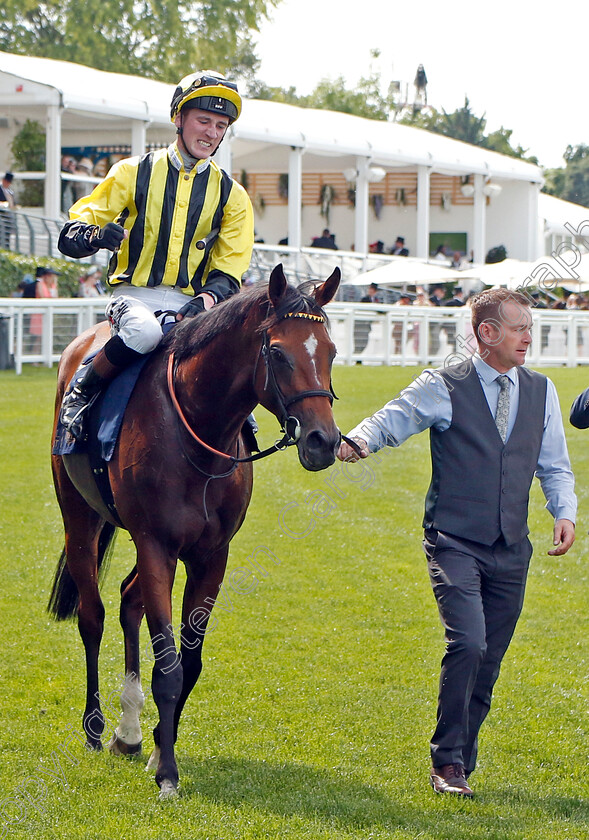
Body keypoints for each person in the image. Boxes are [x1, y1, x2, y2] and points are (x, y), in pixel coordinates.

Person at [338, 287, 576, 797]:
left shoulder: (543, 390)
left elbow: (553, 463)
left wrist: (565, 512)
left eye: (530, 328)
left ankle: (461, 759)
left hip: (513, 547)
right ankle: (446, 763)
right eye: (520, 328)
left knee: (489, 661)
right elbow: (395, 415)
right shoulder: (445, 383)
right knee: (468, 642)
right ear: (486, 333)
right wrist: (358, 440)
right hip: (453, 540)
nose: (528, 338)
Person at [57, 70, 254, 440]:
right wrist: (95, 235)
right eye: (204, 120)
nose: (212, 133)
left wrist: (206, 300)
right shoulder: (132, 172)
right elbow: (72, 231)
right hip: (133, 297)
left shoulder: (233, 196)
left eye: (221, 125)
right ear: (178, 118)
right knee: (145, 332)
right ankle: (82, 389)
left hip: (195, 306)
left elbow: (230, 268)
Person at [354, 283, 381, 360]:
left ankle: (357, 358)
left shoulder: (376, 300)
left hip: (367, 325)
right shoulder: (365, 299)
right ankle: (356, 358)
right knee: (359, 343)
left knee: (364, 342)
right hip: (361, 324)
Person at [0, 172, 16, 249]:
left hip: (8, 216)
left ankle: (6, 247)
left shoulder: (10, 191)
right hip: (2, 215)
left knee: (7, 234)